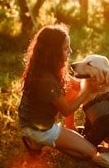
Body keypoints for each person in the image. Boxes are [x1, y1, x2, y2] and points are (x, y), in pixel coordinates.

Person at [18, 23, 100, 160]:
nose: (71, 51)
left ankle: (43, 141)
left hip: (30, 121)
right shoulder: (46, 80)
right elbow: (66, 110)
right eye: (66, 48)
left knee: (72, 91)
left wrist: (94, 81)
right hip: (40, 129)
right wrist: (88, 91)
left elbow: (77, 86)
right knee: (90, 152)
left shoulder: (48, 67)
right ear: (53, 52)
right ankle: (41, 142)